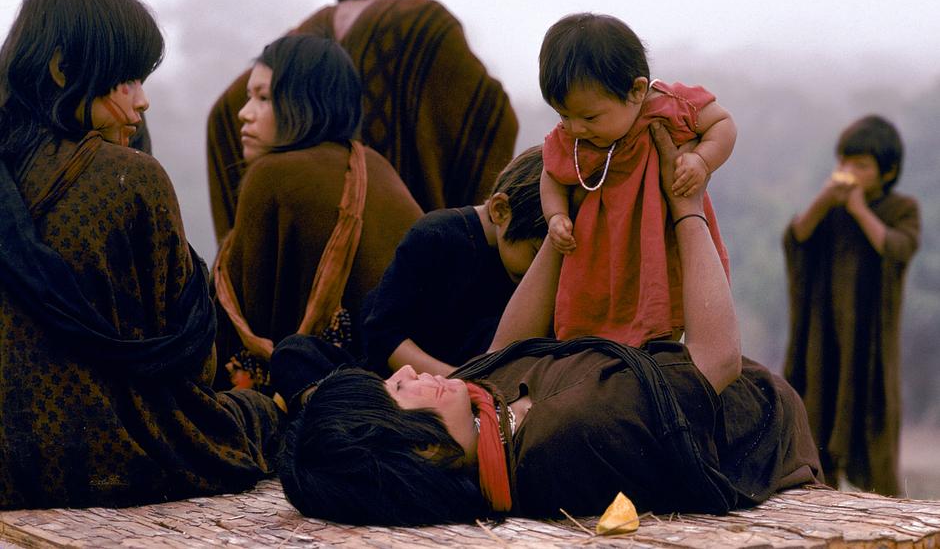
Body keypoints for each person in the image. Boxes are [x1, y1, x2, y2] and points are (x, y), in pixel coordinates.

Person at [273, 121, 822, 525]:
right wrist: (687, 206)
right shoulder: (574, 434)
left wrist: (557, 229)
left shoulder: (482, 423)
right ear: (419, 451)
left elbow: (506, 351)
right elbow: (716, 361)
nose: (412, 375)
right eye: (398, 391)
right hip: (764, 422)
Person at [0, 0, 281, 509]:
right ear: (64, 69)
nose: (144, 100)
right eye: (127, 79)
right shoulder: (130, 177)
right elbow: (188, 359)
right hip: (104, 458)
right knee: (264, 416)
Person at [207, 0, 518, 243]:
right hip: (399, 235)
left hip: (309, 234)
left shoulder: (308, 31)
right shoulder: (425, 22)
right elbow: (492, 113)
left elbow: (224, 112)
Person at [213, 34, 422, 393]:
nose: (244, 112)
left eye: (263, 97)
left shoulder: (273, 174)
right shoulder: (374, 164)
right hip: (405, 385)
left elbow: (251, 319)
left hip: (325, 399)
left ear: (305, 102)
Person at [532, 13, 736, 349]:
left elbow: (723, 123)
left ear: (637, 90)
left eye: (589, 117)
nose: (574, 127)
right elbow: (551, 174)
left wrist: (702, 160)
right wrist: (556, 215)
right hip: (602, 246)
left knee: (662, 299)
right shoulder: (572, 139)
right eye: (563, 115)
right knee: (595, 306)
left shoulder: (669, 107)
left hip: (660, 237)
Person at [783, 115, 919, 496]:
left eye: (861, 165)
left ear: (888, 170)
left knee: (874, 441)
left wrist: (860, 210)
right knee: (816, 427)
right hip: (822, 344)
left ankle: (888, 524)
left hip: (870, 350)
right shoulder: (829, 210)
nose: (849, 172)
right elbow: (797, 237)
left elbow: (897, 249)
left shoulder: (901, 208)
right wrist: (826, 200)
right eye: (844, 163)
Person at [361, 145, 546, 378]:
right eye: (534, 253)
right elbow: (383, 335)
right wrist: (457, 382)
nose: (540, 274)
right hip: (399, 376)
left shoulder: (515, 262)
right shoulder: (436, 236)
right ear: (500, 210)